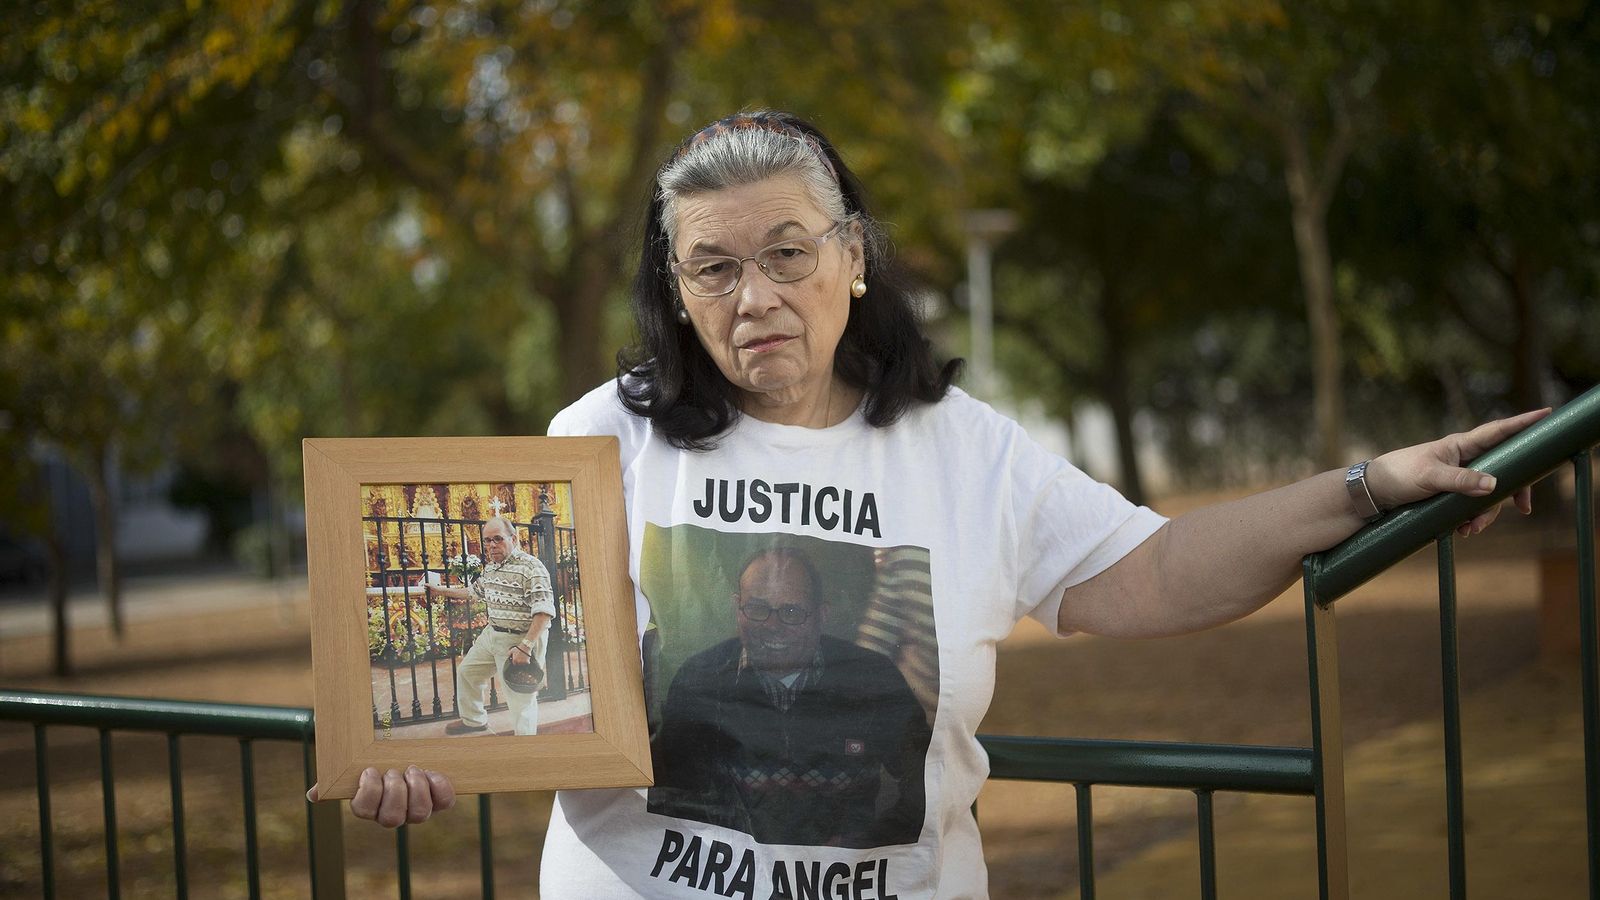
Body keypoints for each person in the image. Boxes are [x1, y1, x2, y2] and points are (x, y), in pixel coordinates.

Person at [311, 110, 1544, 898]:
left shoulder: (966, 452)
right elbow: (525, 662)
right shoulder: (597, 437)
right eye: (714, 267)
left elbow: (1155, 573)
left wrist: (1365, 487)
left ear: (854, 257)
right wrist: (421, 756)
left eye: (789, 252)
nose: (756, 298)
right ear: (675, 289)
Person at [648, 548, 931, 848]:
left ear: (822, 615)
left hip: (843, 880)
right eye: (757, 609)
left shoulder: (871, 680)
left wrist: (869, 844)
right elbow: (674, 797)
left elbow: (927, 781)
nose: (773, 625)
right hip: (728, 878)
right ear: (737, 608)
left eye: (792, 612)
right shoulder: (698, 682)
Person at [424, 515, 554, 736]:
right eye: (487, 540)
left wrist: (525, 647)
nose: (491, 545)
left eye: (497, 539)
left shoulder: (531, 567)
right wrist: (441, 591)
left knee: (521, 700)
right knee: (468, 672)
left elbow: (544, 612)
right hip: (492, 635)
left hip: (520, 639)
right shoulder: (491, 568)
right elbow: (474, 592)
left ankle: (526, 749)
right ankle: (474, 720)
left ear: (513, 538)